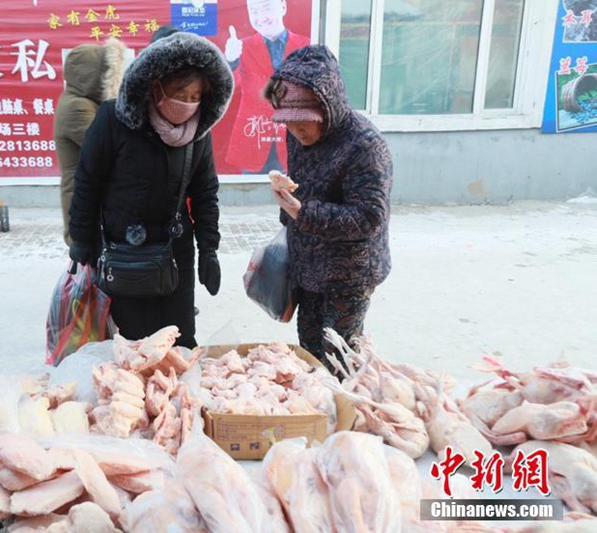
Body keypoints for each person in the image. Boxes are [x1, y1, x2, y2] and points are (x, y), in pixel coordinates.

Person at [68, 32, 234, 348]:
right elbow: (87, 183)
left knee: (180, 344)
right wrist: (82, 240)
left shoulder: (199, 132)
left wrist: (209, 249)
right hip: (126, 255)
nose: (187, 104)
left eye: (195, 95)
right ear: (156, 86)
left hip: (176, 253)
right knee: (133, 348)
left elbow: (205, 193)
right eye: (180, 93)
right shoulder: (112, 120)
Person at [264, 45, 393, 375]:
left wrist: (303, 212)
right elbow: (301, 188)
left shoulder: (365, 145)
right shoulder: (298, 134)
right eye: (288, 123)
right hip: (309, 268)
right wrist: (287, 199)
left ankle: (346, 418)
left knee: (340, 357)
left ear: (329, 107)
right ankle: (316, 412)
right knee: (309, 352)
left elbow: (369, 216)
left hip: (349, 274)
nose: (295, 132)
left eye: (304, 123)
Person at [54, 38, 127, 246]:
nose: (111, 79)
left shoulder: (80, 100)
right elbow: (108, 149)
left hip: (87, 202)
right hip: (84, 207)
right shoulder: (77, 108)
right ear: (93, 75)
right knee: (91, 272)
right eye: (107, 73)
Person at [223, 0, 310, 174]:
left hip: (294, 140)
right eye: (254, 11)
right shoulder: (240, 48)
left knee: (295, 197)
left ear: (283, 7)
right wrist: (230, 60)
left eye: (266, 8)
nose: (261, 17)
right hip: (253, 140)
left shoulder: (307, 45)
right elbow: (228, 86)